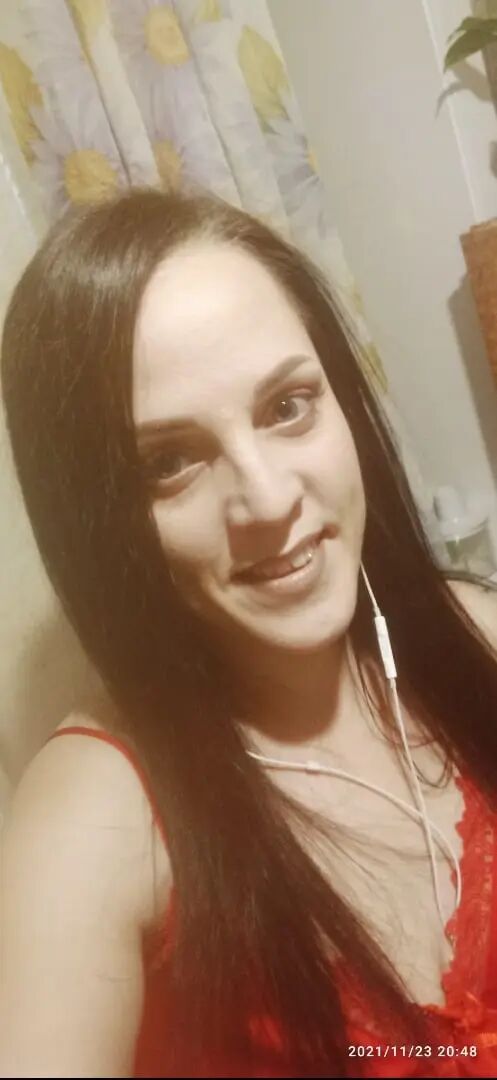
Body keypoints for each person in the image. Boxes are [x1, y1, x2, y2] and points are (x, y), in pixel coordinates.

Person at [1, 187, 497, 1080]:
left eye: (287, 406)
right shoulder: (94, 816)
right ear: (98, 518)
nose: (268, 500)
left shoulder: (472, 633)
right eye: (169, 462)